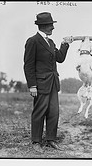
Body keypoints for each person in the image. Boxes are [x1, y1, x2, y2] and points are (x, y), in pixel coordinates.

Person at [23, 12, 73, 152]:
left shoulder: (50, 42)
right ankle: (36, 142)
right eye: (51, 25)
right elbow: (28, 65)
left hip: (53, 84)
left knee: (54, 112)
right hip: (40, 85)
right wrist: (32, 85)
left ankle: (51, 139)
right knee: (39, 112)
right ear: (44, 26)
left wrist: (65, 44)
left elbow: (60, 58)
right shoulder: (32, 41)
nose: (53, 28)